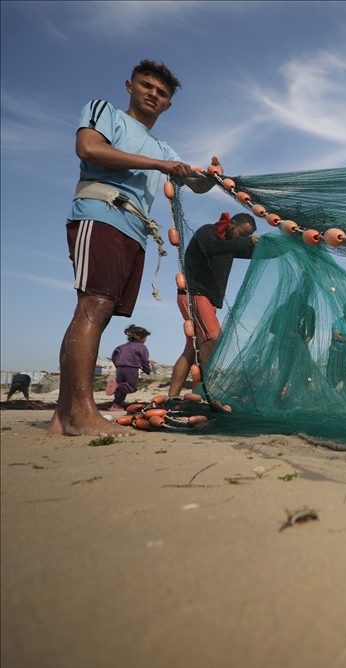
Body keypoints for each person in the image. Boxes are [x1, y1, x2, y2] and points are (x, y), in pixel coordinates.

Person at [50, 60, 217, 437]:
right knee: (94, 305)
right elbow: (89, 148)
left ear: (168, 105)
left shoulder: (163, 147)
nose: (153, 94)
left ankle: (63, 418)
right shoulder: (105, 112)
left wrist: (211, 176)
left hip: (135, 229)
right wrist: (160, 164)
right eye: (146, 86)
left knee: (98, 311)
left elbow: (193, 182)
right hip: (101, 213)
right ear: (129, 85)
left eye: (161, 92)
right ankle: (82, 412)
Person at [168, 213, 259, 397]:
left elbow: (248, 251)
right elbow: (211, 248)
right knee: (214, 339)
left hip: (207, 300)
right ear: (231, 224)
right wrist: (248, 242)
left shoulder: (231, 245)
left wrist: (278, 246)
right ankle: (204, 395)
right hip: (195, 294)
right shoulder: (208, 232)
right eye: (241, 234)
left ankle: (173, 397)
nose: (241, 239)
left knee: (192, 349)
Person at [272, 288, 316, 405]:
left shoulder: (307, 310)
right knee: (285, 370)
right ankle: (280, 396)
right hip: (285, 345)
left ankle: (298, 396)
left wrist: (307, 338)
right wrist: (289, 334)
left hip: (299, 346)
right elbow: (273, 328)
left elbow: (310, 330)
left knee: (303, 370)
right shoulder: (283, 309)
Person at [109, 325, 152, 410]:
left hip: (120, 368)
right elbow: (144, 359)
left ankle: (116, 405)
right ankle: (117, 386)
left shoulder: (121, 347)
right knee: (131, 387)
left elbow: (114, 356)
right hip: (132, 368)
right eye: (145, 338)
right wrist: (147, 369)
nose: (145, 340)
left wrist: (118, 365)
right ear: (140, 337)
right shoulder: (141, 347)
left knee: (121, 390)